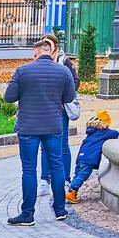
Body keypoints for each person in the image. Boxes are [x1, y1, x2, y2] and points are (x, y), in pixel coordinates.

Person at [4, 36, 76, 225]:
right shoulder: (63, 72)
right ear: (50, 52)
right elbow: (69, 97)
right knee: (57, 166)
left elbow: (9, 97)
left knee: (28, 169)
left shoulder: (22, 71)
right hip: (53, 125)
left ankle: (27, 214)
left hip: (28, 127)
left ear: (35, 53)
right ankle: (60, 210)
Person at [40, 40, 77, 196]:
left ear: (55, 46)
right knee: (45, 145)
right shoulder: (40, 60)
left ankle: (66, 179)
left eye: (48, 46)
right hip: (45, 109)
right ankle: (44, 180)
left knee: (62, 144)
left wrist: (63, 97)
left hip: (60, 109)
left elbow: (75, 82)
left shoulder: (64, 61)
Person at [65, 110, 119, 203]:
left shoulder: (91, 131)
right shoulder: (104, 132)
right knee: (83, 175)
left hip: (81, 156)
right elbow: (115, 133)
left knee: (78, 174)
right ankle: (71, 192)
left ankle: (72, 192)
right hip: (89, 159)